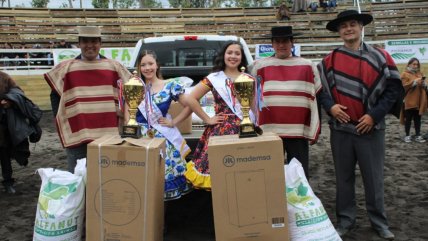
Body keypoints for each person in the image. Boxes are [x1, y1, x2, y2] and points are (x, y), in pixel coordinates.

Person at [317, 10, 403, 240]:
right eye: (343, 26)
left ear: (361, 27)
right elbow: (320, 92)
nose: (348, 29)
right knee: (343, 179)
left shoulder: (380, 57)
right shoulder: (328, 61)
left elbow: (393, 90)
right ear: (338, 31)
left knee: (374, 179)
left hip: (371, 130)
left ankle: (379, 222)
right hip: (341, 130)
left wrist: (373, 116)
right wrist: (331, 107)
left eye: (352, 24)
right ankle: (345, 220)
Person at [44, 26, 132, 173]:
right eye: (85, 41)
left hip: (109, 132)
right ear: (79, 44)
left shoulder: (114, 67)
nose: (89, 45)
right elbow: (54, 95)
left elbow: (131, 91)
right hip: (78, 134)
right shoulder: (66, 68)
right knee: (78, 177)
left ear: (100, 43)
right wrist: (58, 116)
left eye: (94, 41)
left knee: (109, 174)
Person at [250, 26, 321, 179]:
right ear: (272, 44)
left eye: (285, 41)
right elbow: (253, 98)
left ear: (292, 42)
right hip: (269, 130)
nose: (281, 45)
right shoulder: (259, 66)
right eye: (277, 41)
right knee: (269, 173)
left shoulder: (308, 66)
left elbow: (316, 97)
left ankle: (299, 202)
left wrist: (315, 127)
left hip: (297, 130)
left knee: (299, 174)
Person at [184, 41, 255, 190]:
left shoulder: (248, 78)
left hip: (246, 130)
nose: (233, 56)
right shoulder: (214, 78)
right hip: (222, 131)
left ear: (242, 57)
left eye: (237, 53)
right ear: (223, 55)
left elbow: (254, 105)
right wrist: (207, 119)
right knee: (221, 172)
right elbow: (191, 98)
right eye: (230, 53)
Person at [133, 50, 192, 200]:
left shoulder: (170, 85)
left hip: (164, 141)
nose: (147, 68)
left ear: (157, 65)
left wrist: (174, 122)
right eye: (143, 65)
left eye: (150, 64)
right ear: (139, 67)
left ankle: (161, 220)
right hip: (141, 139)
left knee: (162, 183)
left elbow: (189, 106)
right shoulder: (135, 88)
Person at [0, 71, 43, 194]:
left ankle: (8, 183)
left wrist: (10, 101)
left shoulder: (4, 77)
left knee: (4, 157)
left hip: (2, 128)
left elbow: (18, 92)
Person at [400, 58, 427, 142]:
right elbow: (402, 87)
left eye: (417, 64)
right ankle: (407, 135)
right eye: (414, 64)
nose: (415, 66)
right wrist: (414, 82)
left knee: (418, 119)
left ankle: (418, 135)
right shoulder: (404, 74)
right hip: (408, 101)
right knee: (408, 119)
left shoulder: (420, 74)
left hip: (419, 101)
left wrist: (424, 84)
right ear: (409, 64)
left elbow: (425, 87)